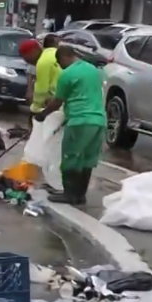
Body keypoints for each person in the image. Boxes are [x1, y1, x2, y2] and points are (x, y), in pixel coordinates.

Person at [33, 44, 107, 205]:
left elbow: (57, 101)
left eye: (59, 63)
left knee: (70, 157)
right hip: (98, 120)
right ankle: (80, 195)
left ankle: (69, 194)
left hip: (79, 121)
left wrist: (43, 114)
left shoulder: (67, 74)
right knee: (87, 159)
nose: (60, 66)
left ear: (64, 57)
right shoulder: (93, 70)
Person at [19, 35, 62, 114]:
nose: (27, 61)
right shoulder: (53, 54)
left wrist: (35, 107)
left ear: (33, 51)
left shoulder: (43, 61)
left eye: (27, 58)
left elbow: (42, 89)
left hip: (57, 101)